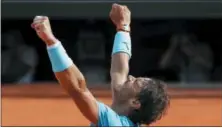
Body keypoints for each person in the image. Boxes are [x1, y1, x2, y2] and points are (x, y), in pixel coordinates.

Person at [31, 3, 169, 126]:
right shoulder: (124, 108)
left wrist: (51, 42)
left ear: (135, 103)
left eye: (136, 82)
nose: (131, 77)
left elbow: (78, 89)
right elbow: (119, 69)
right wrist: (123, 27)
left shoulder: (114, 124)